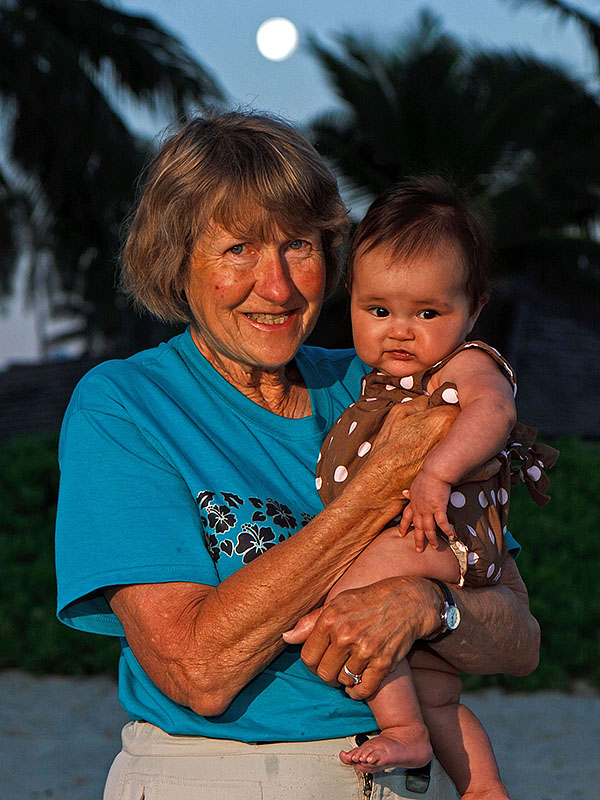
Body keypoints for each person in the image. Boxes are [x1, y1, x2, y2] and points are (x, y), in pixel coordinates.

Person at [55, 113, 540, 800]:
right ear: (176, 259)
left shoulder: (387, 382)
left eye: (298, 246)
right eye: (238, 250)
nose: (279, 287)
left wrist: (429, 604)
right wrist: (378, 490)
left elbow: (520, 638)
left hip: (399, 779)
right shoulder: (126, 406)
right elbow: (197, 671)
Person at [305, 177, 557, 798]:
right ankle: (481, 784)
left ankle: (402, 728)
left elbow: (492, 415)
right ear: (352, 302)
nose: (399, 331)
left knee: (350, 584)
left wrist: (437, 473)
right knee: (438, 689)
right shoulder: (375, 382)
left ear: (472, 308)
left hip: (453, 534)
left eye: (427, 313)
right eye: (378, 310)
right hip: (437, 540)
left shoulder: (466, 364)